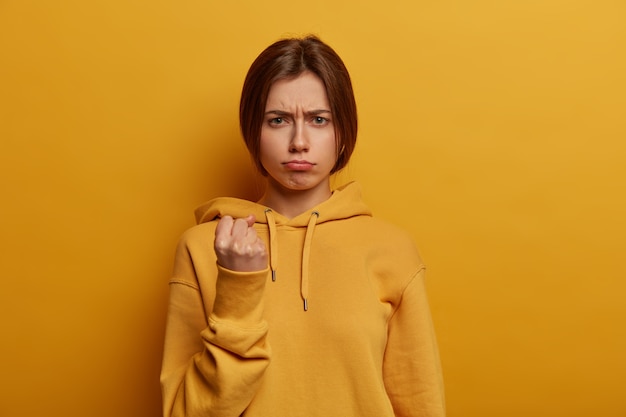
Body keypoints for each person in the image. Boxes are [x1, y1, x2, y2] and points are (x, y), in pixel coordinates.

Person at [160, 35, 446, 417]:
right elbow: (187, 413)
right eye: (278, 120)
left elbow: (420, 403)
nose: (299, 142)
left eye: (318, 120)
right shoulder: (204, 247)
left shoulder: (392, 250)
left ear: (342, 131)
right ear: (253, 132)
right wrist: (238, 288)